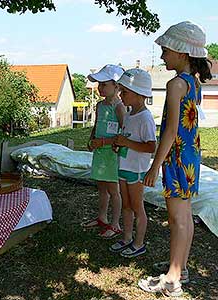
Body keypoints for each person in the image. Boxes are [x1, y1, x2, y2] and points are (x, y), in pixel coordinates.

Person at [138, 21, 212, 297]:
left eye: (166, 50)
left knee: (178, 218)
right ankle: (178, 267)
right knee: (184, 217)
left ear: (182, 52)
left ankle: (172, 279)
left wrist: (154, 166)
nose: (162, 56)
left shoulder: (175, 84)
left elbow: (170, 130)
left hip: (176, 156)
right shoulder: (193, 82)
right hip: (190, 155)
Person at [108, 69, 156, 258]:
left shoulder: (145, 118)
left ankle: (139, 243)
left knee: (137, 207)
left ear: (139, 94)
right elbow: (128, 138)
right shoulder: (128, 115)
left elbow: (151, 146)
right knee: (126, 205)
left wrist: (126, 143)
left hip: (136, 171)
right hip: (124, 167)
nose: (121, 95)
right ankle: (127, 237)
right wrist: (118, 145)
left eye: (125, 92)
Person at [84, 64, 126, 238]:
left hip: (112, 154)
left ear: (116, 86)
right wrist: (92, 139)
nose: (100, 88)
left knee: (113, 190)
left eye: (104, 84)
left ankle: (115, 224)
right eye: (99, 84)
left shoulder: (119, 107)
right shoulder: (100, 106)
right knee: (101, 187)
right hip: (100, 153)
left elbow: (124, 134)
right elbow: (97, 125)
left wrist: (103, 142)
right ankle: (102, 217)